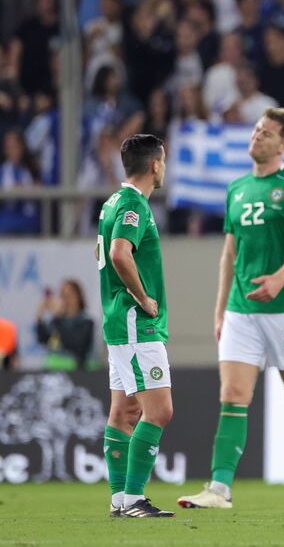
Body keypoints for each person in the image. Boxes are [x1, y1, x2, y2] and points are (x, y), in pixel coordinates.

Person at [177, 108, 284, 510]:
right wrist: (219, 309)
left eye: (266, 133)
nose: (256, 137)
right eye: (256, 130)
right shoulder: (237, 188)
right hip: (240, 310)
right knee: (233, 394)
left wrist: (280, 278)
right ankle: (219, 489)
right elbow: (229, 254)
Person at [99, 134, 174, 518]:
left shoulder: (112, 201)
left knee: (124, 411)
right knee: (159, 411)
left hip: (117, 321)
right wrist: (144, 299)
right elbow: (118, 253)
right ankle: (132, 498)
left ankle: (118, 499)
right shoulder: (134, 205)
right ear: (155, 165)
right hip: (135, 323)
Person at [34, 279, 96, 370]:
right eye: (62, 296)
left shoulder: (86, 322)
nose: (65, 300)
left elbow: (77, 346)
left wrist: (58, 317)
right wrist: (39, 317)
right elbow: (43, 339)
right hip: (55, 371)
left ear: (78, 297)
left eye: (68, 296)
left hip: (80, 372)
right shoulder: (56, 321)